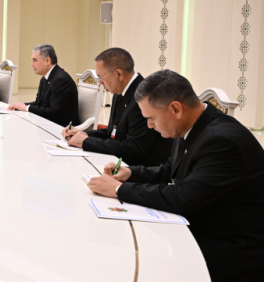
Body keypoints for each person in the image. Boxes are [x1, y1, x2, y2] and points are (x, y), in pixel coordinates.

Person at [88, 70, 264, 282]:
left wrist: (118, 190)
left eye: (151, 118)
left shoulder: (222, 141)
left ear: (175, 109)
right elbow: (169, 170)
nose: (149, 125)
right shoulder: (191, 125)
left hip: (230, 249)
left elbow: (182, 197)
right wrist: (131, 173)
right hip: (203, 226)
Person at [63, 48, 171, 166]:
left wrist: (86, 142)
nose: (100, 83)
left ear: (118, 74)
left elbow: (134, 149)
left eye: (101, 77)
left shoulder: (143, 98)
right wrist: (83, 134)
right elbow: (112, 132)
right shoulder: (119, 91)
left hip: (140, 168)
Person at [8, 44, 78, 127]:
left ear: (47, 61)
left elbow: (54, 112)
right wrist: (21, 105)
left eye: (35, 60)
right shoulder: (45, 78)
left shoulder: (61, 80)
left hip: (62, 129)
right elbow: (39, 103)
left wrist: (26, 108)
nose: (32, 64)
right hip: (49, 124)